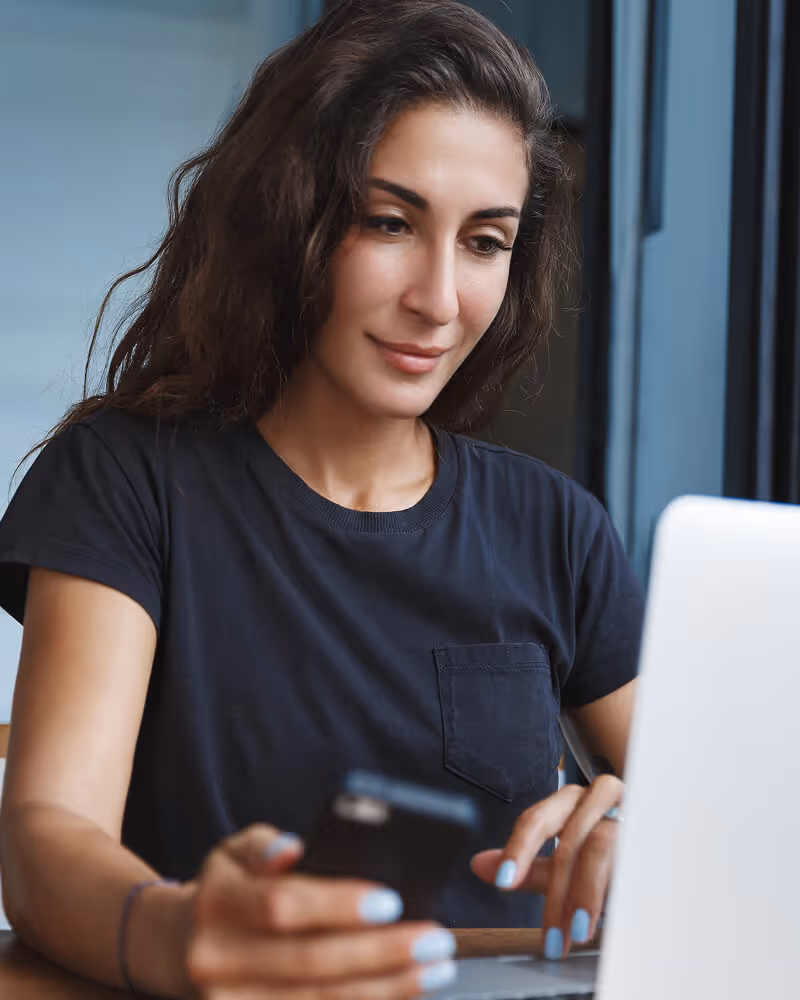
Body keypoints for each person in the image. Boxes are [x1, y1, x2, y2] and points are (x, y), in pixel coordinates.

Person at [0, 1, 642, 997]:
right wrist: (177, 934)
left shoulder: (555, 526)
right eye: (388, 223)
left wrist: (636, 830)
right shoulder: (124, 480)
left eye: (483, 242)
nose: (437, 297)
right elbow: (48, 839)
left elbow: (719, 821)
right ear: (289, 219)